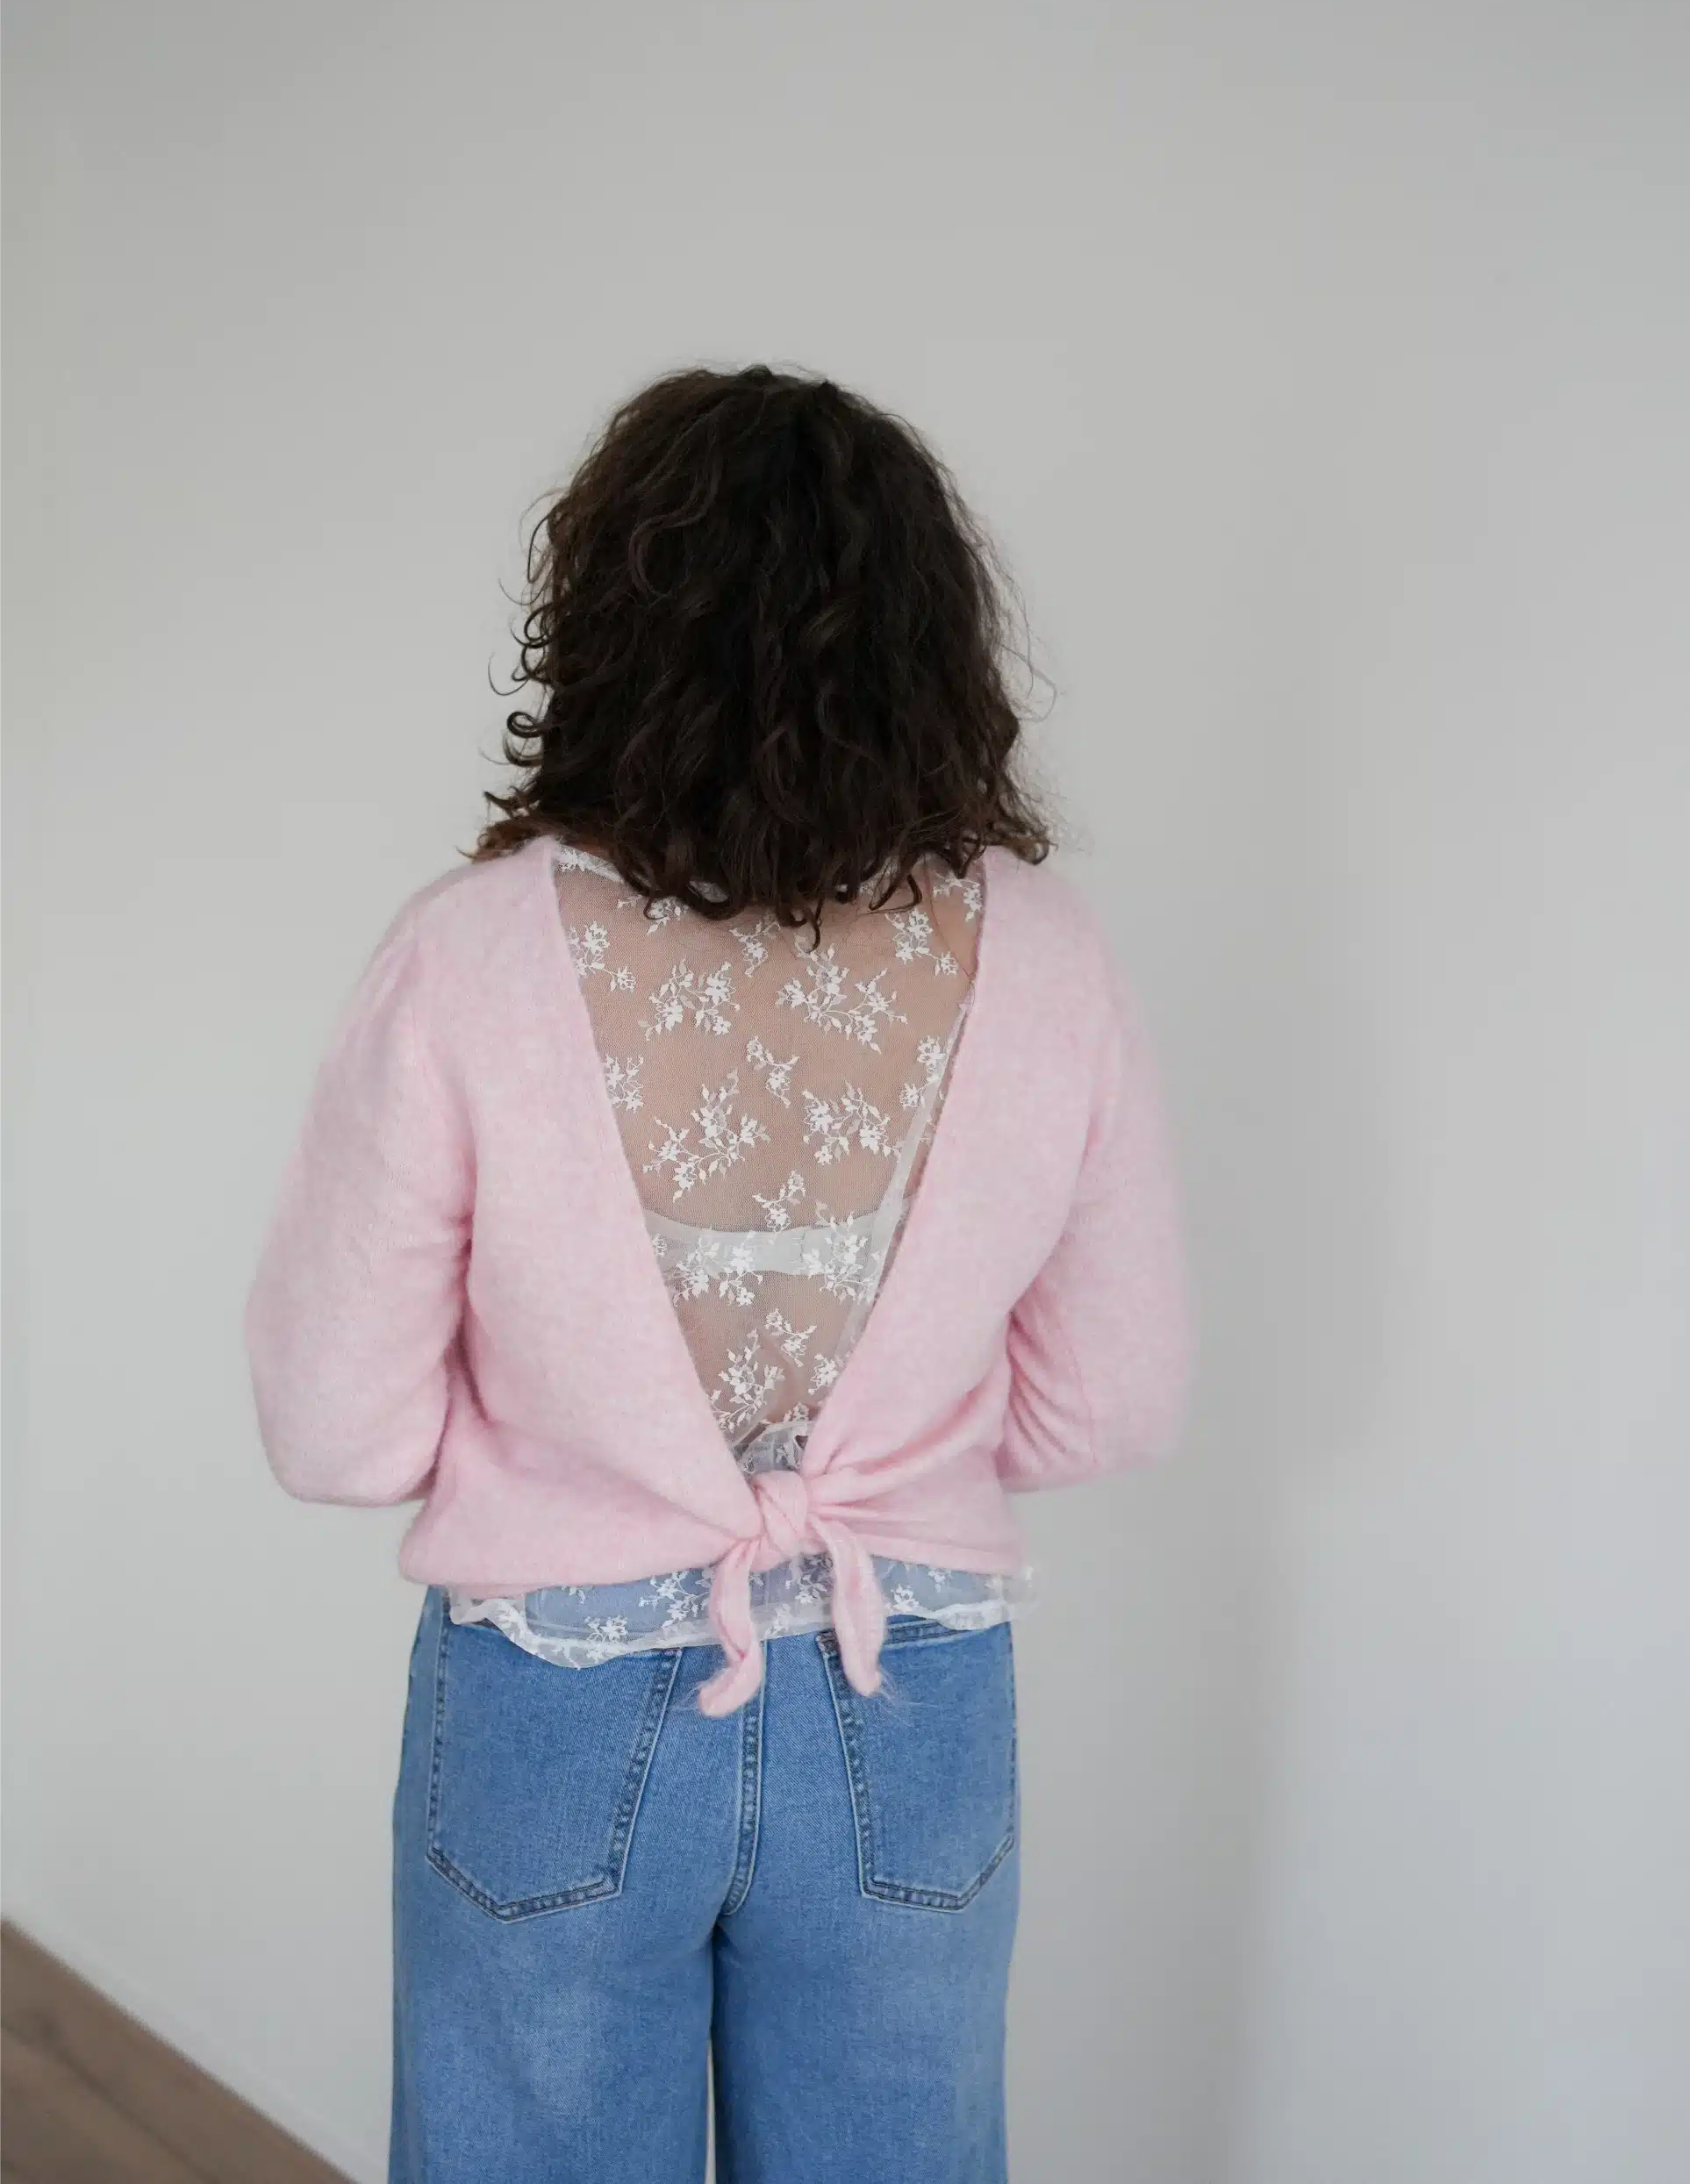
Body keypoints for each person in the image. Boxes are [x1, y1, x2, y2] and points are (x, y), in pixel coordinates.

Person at [242, 363, 1192, 2184]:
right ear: (931, 644)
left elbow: (333, 1430)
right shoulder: (1050, 956)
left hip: (554, 1694)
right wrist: (884, 1459)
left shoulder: (469, 956)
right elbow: (1113, 1398)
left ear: (608, 631)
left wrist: (583, 1453)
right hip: (909, 1690)